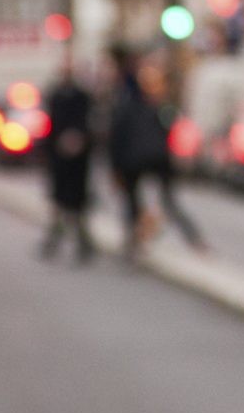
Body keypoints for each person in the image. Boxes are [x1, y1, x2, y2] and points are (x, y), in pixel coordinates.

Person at [105, 44, 206, 256]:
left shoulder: (145, 105)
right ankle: (138, 241)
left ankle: (138, 241)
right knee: (150, 202)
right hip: (144, 159)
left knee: (150, 203)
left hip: (143, 159)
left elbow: (117, 136)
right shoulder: (139, 105)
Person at [38, 58, 95, 261]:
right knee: (60, 203)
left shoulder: (81, 97)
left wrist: (77, 139)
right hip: (60, 159)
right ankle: (61, 241)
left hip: (77, 160)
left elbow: (88, 123)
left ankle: (81, 244)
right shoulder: (55, 96)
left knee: (76, 205)